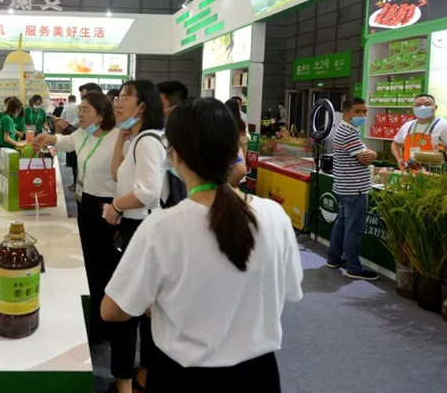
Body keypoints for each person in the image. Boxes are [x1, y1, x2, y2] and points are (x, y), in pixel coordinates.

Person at [101, 97, 303, 392]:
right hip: (258, 375)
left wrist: (154, 304)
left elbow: (112, 310)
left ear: (174, 155)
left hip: (182, 376)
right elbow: (287, 290)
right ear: (233, 151)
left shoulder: (162, 227)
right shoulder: (274, 216)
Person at [34, 92, 119, 343]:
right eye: (79, 109)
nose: (80, 114)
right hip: (86, 203)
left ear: (101, 116)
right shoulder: (83, 134)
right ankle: (90, 318)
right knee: (89, 263)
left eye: (86, 110)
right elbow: (66, 141)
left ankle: (102, 327)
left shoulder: (117, 139)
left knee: (103, 266)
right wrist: (48, 137)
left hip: (107, 207)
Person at [103, 79, 167, 393]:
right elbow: (117, 173)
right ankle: (141, 377)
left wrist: (116, 205)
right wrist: (121, 134)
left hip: (143, 228)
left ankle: (126, 383)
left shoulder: (147, 142)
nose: (117, 102)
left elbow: (148, 192)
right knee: (145, 308)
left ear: (143, 106)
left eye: (126, 97)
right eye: (118, 97)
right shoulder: (137, 140)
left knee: (126, 310)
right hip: (136, 229)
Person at [325, 97, 379, 281]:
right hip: (354, 189)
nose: (362, 115)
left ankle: (334, 258)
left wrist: (370, 153)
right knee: (354, 229)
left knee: (341, 224)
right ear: (346, 113)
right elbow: (365, 159)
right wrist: (374, 154)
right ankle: (354, 267)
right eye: (357, 111)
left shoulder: (347, 130)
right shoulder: (348, 133)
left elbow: (364, 152)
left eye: (364, 112)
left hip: (344, 186)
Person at [391, 93, 447, 167]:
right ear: (413, 108)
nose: (422, 107)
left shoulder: (445, 126)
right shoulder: (407, 126)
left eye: (427, 104)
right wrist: (399, 158)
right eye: (418, 105)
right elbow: (395, 144)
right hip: (408, 170)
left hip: (434, 172)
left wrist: (442, 158)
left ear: (435, 107)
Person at [0, 97, 22, 175]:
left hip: (0, 148)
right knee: (2, 173)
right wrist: (18, 144)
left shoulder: (5, 117)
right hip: (4, 148)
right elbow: (6, 138)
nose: (19, 112)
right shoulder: (8, 119)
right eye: (19, 110)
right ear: (16, 109)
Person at [225, 98, 249, 188]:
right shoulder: (241, 123)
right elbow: (244, 142)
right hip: (237, 153)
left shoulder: (222, 121)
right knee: (236, 181)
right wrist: (244, 158)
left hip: (224, 152)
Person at [60, 95, 80, 190]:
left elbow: (62, 118)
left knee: (74, 162)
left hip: (69, 133)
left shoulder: (66, 107)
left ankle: (76, 184)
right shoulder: (77, 107)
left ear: (69, 99)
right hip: (76, 135)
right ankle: (76, 183)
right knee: (76, 162)